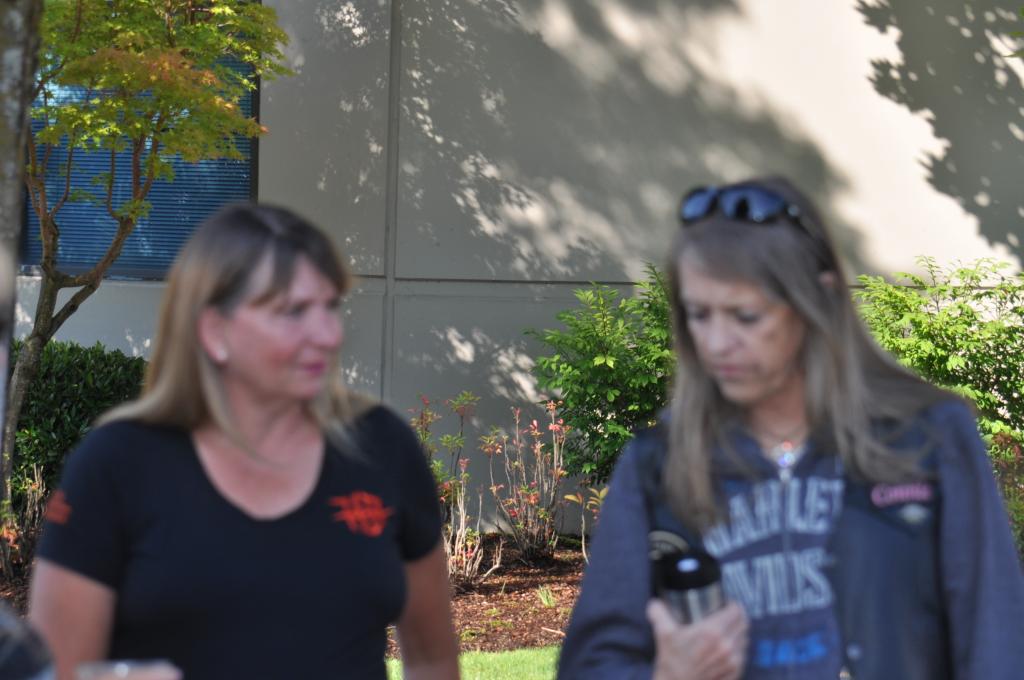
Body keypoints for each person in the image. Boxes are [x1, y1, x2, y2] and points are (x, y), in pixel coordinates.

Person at [558, 177, 1024, 679]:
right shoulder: (659, 462)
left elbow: (995, 637)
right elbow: (591, 664)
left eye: (745, 316)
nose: (717, 342)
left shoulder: (926, 435)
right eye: (699, 315)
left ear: (817, 301)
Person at [28, 204, 459, 680]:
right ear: (213, 330)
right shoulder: (118, 464)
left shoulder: (382, 447)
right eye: (293, 311)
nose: (328, 333)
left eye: (330, 306)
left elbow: (433, 660)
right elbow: (57, 671)